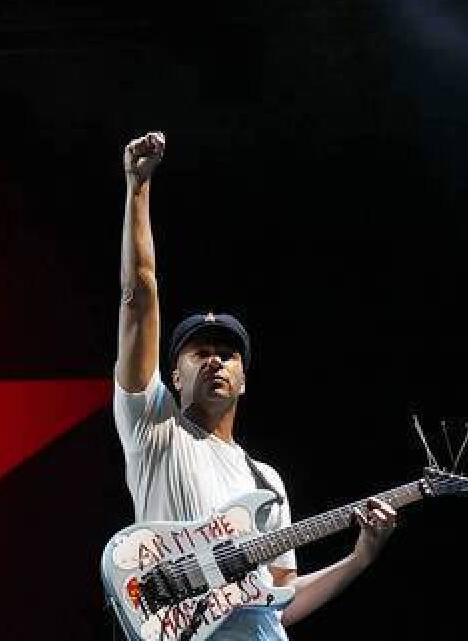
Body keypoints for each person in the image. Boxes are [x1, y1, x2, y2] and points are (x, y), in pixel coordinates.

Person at [113, 131, 397, 640]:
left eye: (228, 353)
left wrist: (360, 557)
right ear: (173, 374)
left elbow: (282, 601)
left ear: (243, 380)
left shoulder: (266, 482)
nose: (216, 359)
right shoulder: (154, 428)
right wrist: (139, 188)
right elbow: (139, 295)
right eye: (200, 351)